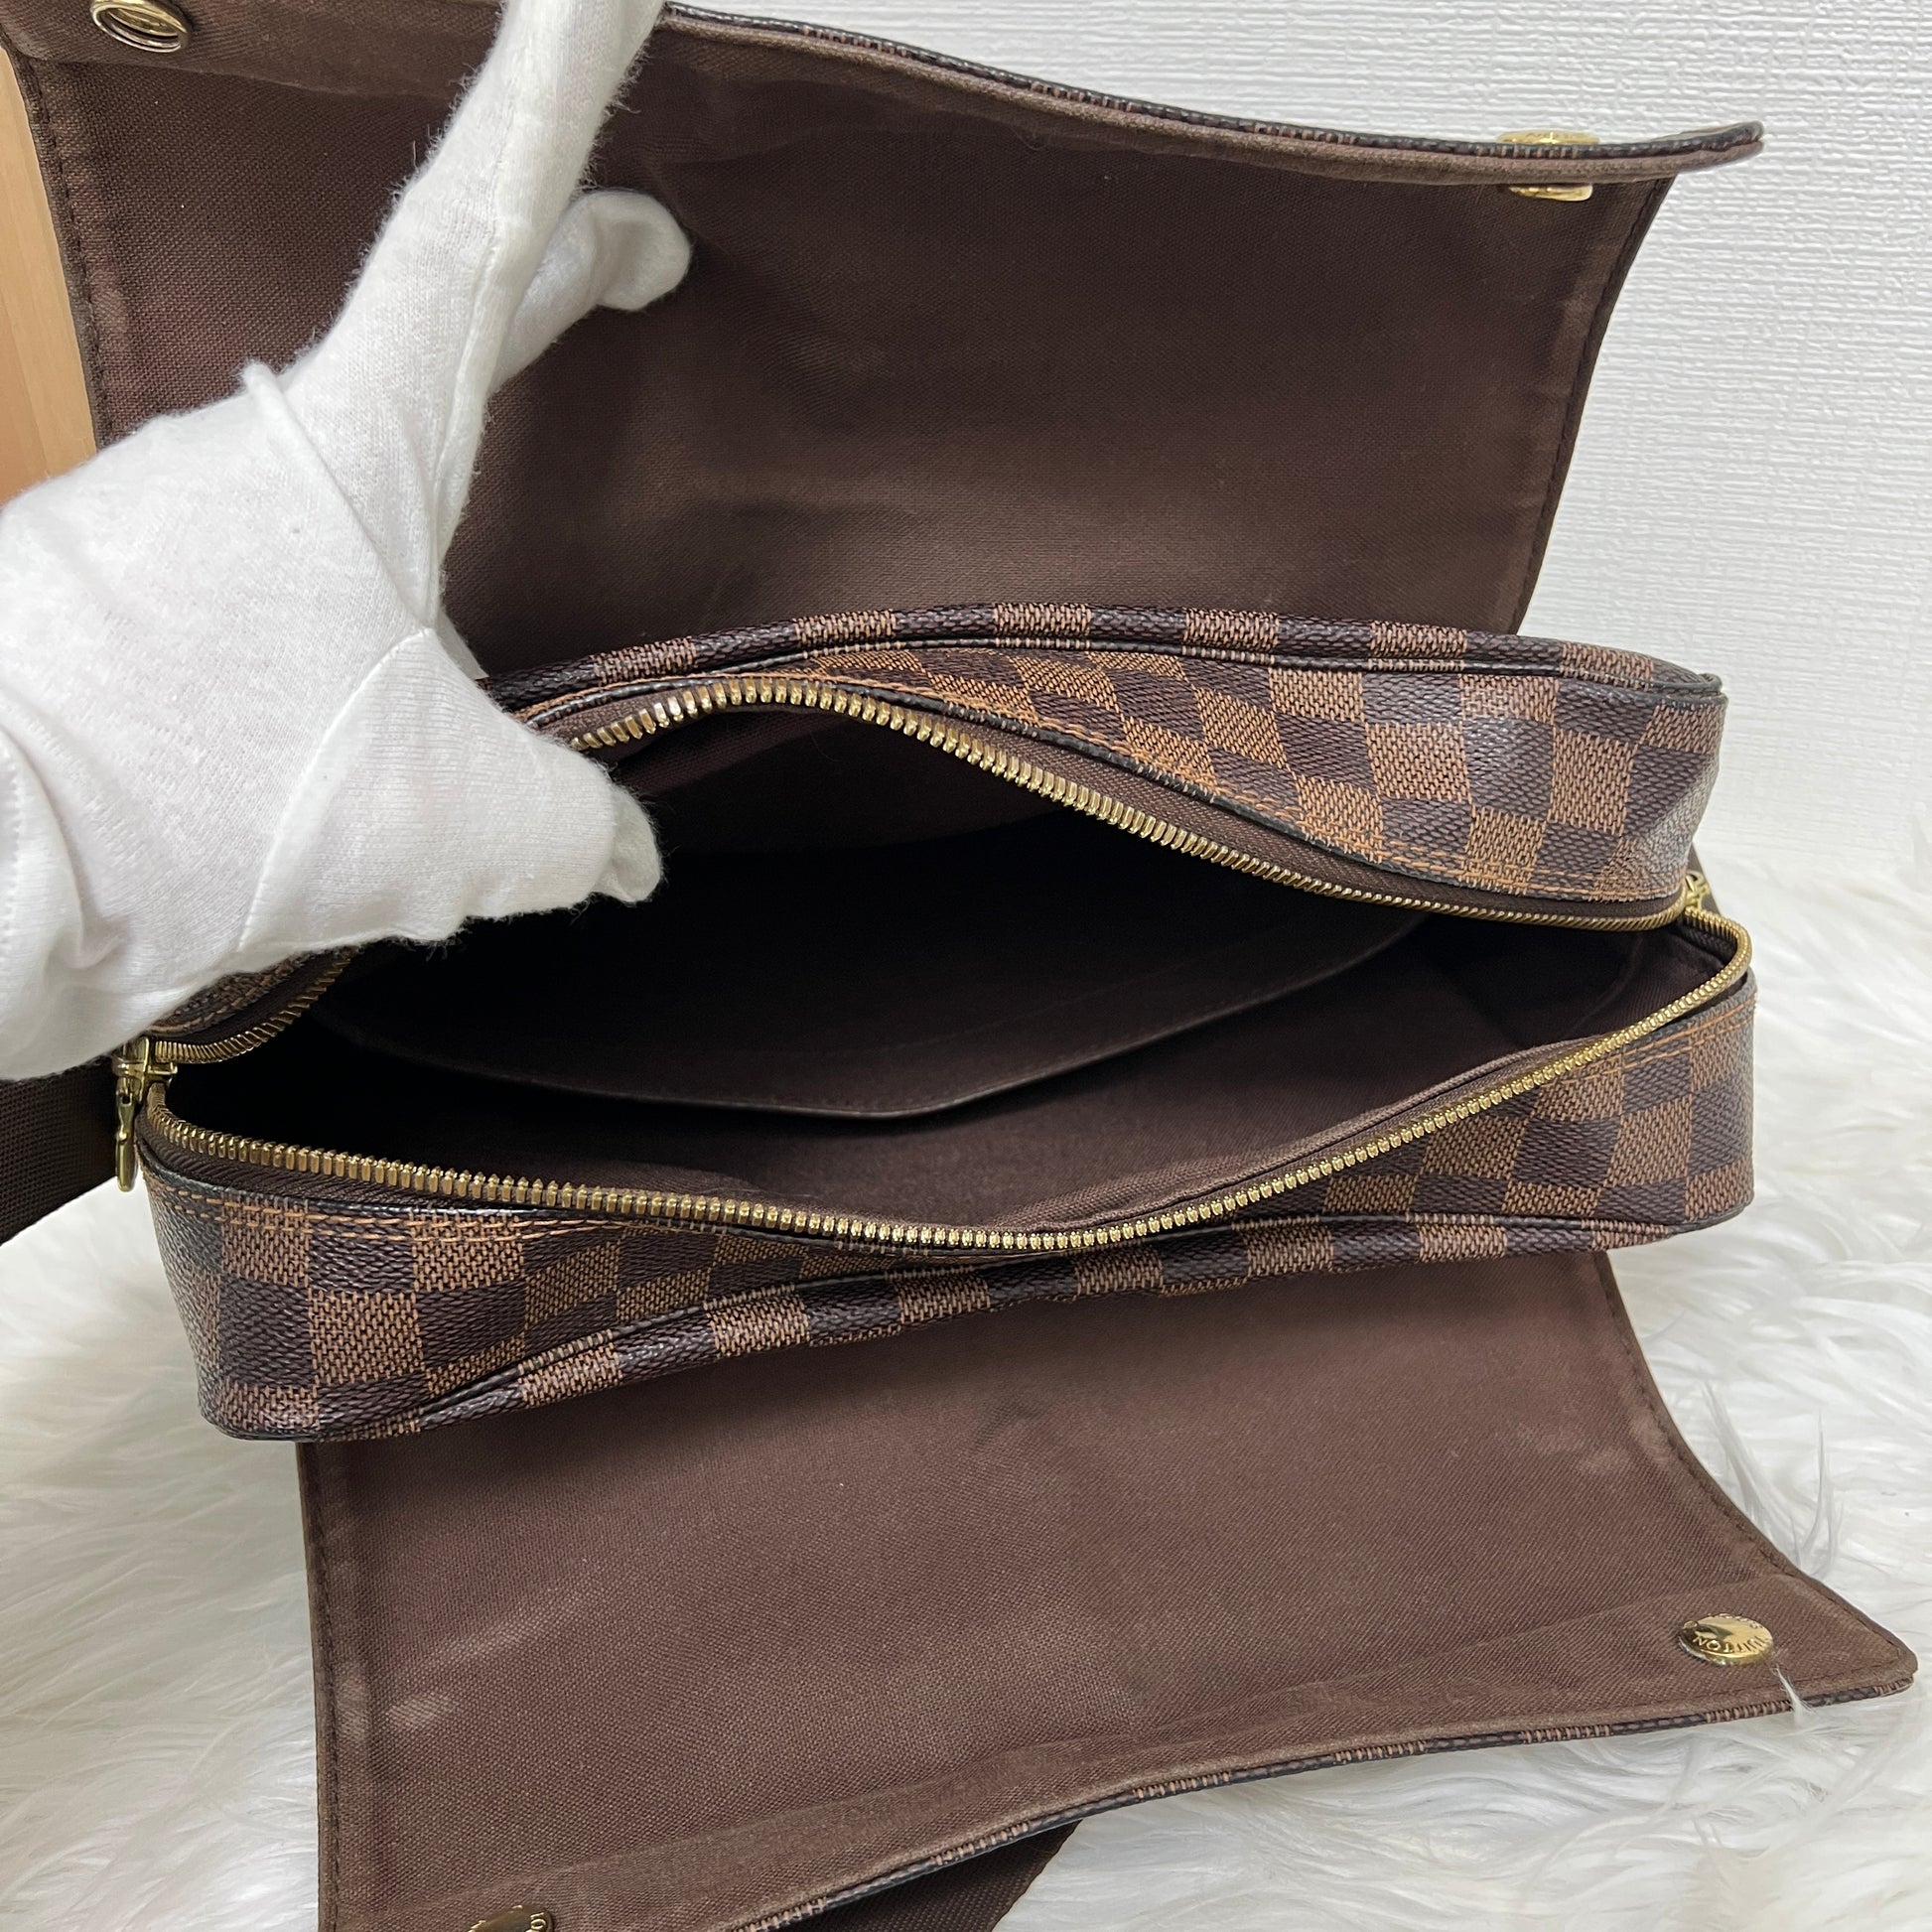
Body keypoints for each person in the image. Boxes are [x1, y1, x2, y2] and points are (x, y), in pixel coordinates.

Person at [0, 0, 685, 1079]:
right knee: (433, 303)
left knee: (436, 302)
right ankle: (560, 248)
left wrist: (587, 846)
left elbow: (588, 848)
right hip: (110, 589)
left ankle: (563, 236)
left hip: (159, 662)